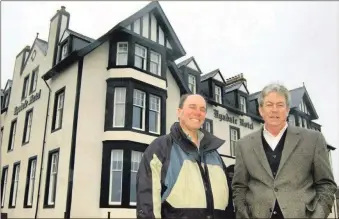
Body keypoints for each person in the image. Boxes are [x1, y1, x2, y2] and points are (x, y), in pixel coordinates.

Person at [232, 83, 337, 219]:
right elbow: (239, 187)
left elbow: (326, 184)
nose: (274, 110)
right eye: (269, 104)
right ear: (261, 110)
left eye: (280, 105)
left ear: (287, 110)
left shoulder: (313, 139)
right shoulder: (243, 145)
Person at [136, 94, 234, 219]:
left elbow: (229, 205)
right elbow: (147, 205)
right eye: (192, 107)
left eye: (202, 109)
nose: (198, 112)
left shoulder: (215, 155)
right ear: (179, 112)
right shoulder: (160, 148)